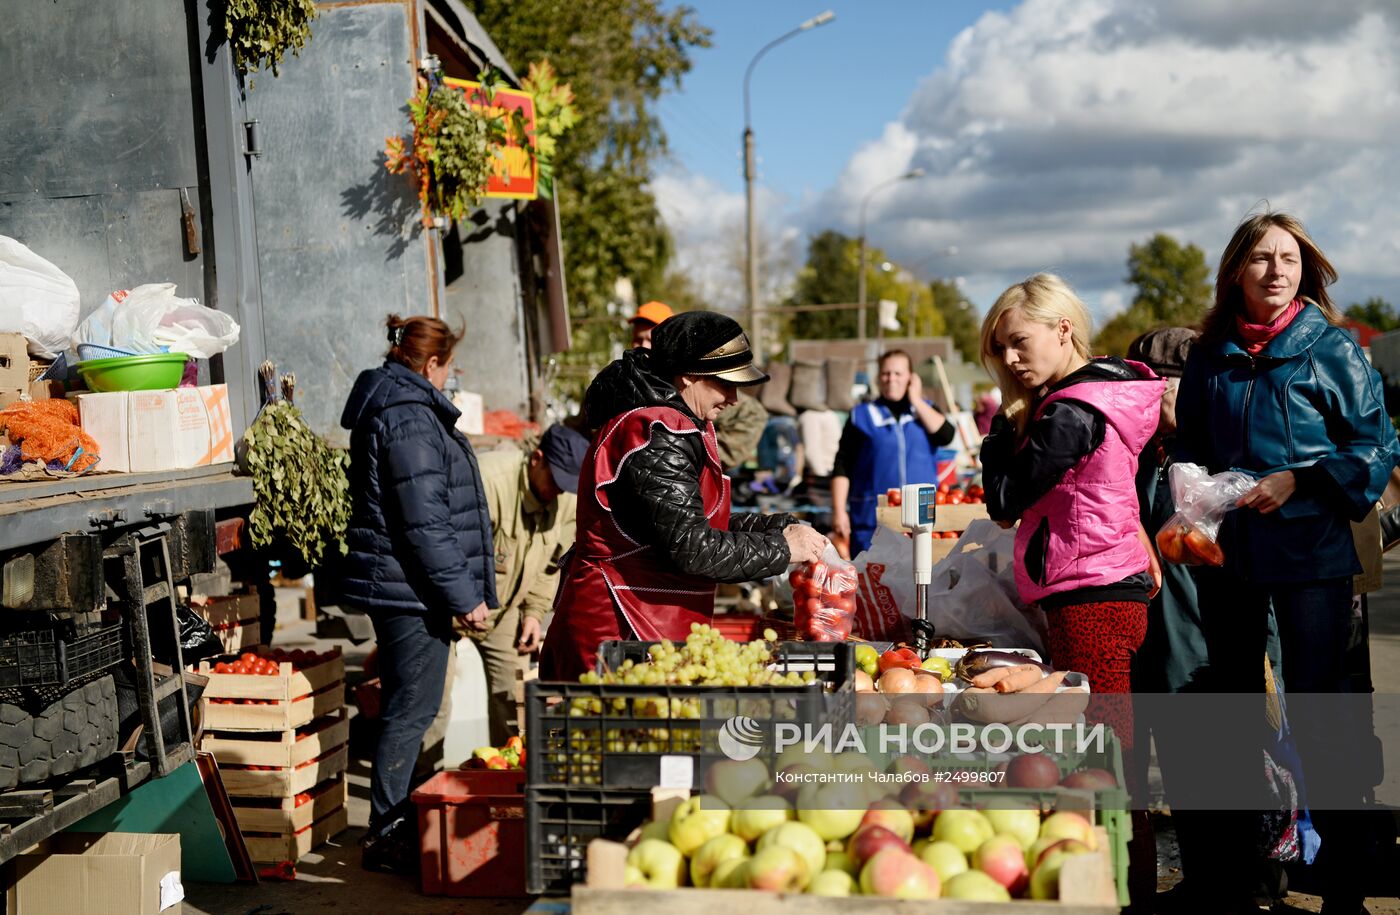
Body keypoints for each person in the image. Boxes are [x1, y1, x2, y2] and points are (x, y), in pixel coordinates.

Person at [1175, 212, 1397, 913]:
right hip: (1229, 558)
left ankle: (1345, 891)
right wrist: (1190, 493)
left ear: (1306, 270)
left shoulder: (1332, 348)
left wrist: (1299, 478)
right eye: (1262, 258)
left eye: (1289, 259)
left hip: (1314, 557)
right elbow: (1190, 443)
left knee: (1322, 715)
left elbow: (1375, 448)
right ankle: (1246, 877)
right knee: (1235, 716)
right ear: (1235, 270)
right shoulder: (1209, 353)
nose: (1276, 270)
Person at [539, 311, 829, 681]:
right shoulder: (658, 434)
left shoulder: (675, 422)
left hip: (644, 623)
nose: (735, 398)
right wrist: (783, 549)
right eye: (725, 384)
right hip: (617, 628)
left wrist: (778, 526)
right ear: (688, 375)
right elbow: (693, 546)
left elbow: (691, 519)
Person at [332, 314, 497, 874]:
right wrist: (464, 596)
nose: (450, 376)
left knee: (411, 703)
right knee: (413, 708)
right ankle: (387, 830)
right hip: (410, 590)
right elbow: (424, 523)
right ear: (431, 364)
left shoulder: (402, 409)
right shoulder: (410, 417)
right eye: (449, 366)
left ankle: (391, 823)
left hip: (404, 586)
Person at [471, 423, 587, 744]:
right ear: (537, 459)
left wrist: (534, 613)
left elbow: (551, 563)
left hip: (505, 607)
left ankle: (509, 776)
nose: (559, 491)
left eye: (567, 485)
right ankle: (421, 788)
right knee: (433, 705)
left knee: (513, 703)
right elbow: (453, 548)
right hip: (453, 602)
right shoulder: (489, 481)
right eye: (555, 479)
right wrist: (463, 599)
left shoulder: (565, 502)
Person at [830, 350, 955, 556]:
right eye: (886, 373)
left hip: (921, 519)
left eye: (898, 373)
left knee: (924, 581)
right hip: (873, 519)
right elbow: (842, 464)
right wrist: (839, 510)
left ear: (911, 378)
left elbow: (946, 435)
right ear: (879, 377)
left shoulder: (925, 411)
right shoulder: (861, 415)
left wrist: (916, 399)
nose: (891, 379)